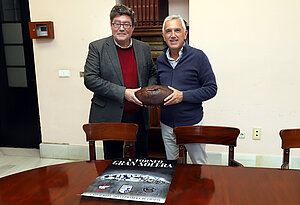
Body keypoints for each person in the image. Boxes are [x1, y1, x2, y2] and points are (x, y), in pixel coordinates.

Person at [84, 4, 157, 160]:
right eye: (117, 23)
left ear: (133, 27)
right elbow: (90, 79)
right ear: (111, 25)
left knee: (141, 159)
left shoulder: (143, 48)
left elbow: (152, 73)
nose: (121, 28)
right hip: (111, 115)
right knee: (113, 162)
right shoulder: (97, 47)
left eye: (126, 24)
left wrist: (147, 93)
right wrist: (124, 93)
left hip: (138, 114)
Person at [157, 15, 217, 164]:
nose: (173, 35)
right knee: (173, 167)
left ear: (185, 34)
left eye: (177, 30)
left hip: (192, 123)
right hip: (167, 124)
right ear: (164, 36)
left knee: (199, 167)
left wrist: (182, 96)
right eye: (168, 31)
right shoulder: (160, 60)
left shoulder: (198, 57)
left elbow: (211, 88)